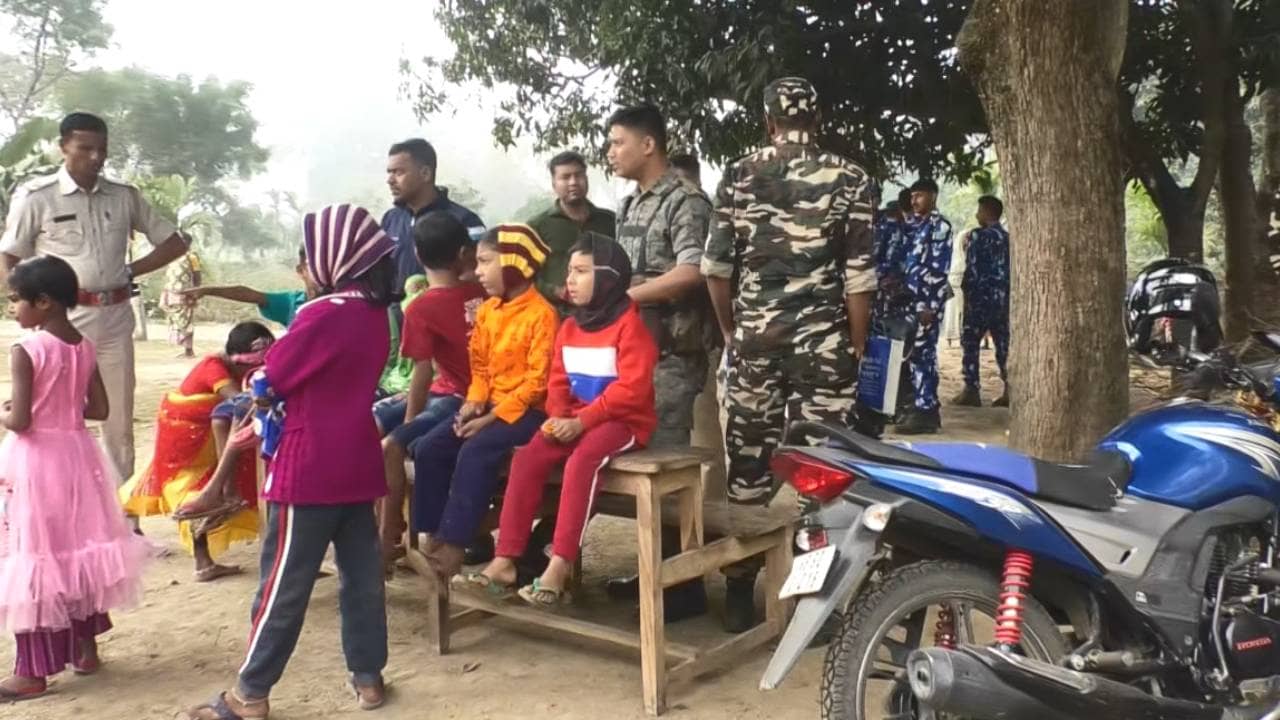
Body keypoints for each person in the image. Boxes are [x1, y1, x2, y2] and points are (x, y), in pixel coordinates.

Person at [179, 204, 396, 719]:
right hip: (358, 458)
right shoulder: (375, 312)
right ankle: (368, 678)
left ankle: (250, 694)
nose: (306, 266)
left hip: (308, 463)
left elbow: (271, 376)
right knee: (362, 577)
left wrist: (260, 383)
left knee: (283, 582)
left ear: (332, 257)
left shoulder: (321, 313)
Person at [703, 76, 877, 631]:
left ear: (768, 121)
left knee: (748, 467)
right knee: (821, 474)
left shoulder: (738, 174)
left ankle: (738, 594)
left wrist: (732, 331)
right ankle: (813, 604)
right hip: (824, 346)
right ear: (817, 118)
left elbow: (716, 269)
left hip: (756, 341)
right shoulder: (850, 177)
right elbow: (860, 277)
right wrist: (855, 341)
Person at [0, 113, 189, 518]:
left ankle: (119, 514)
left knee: (116, 417)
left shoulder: (123, 196)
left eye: (102, 148)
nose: (96, 157)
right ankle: (44, 510)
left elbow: (174, 242)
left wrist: (131, 271)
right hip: (64, 318)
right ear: (63, 146)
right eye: (85, 147)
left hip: (115, 317)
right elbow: (11, 254)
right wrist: (25, 304)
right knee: (49, 415)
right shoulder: (37, 196)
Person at [460, 233, 656, 606]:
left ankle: (558, 566)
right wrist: (559, 417)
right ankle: (505, 560)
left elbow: (631, 390)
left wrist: (583, 422)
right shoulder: (570, 327)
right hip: (577, 418)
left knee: (582, 461)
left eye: (581, 271)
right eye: (569, 271)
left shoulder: (632, 327)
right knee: (530, 455)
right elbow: (558, 382)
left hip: (622, 422)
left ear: (609, 276)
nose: (570, 280)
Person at [0, 256, 148, 700]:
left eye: (16, 301)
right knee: (76, 550)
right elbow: (99, 410)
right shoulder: (82, 345)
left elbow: (22, 420)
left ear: (42, 302)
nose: (13, 310)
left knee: (37, 553)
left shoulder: (26, 350)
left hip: (37, 460)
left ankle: (33, 669)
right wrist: (61, 409)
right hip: (79, 456)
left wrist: (4, 411)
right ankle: (86, 648)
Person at [605, 104, 714, 620]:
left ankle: (684, 584)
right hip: (635, 352)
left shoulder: (686, 201)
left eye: (618, 142)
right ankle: (654, 573)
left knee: (667, 466)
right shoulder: (629, 206)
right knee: (636, 463)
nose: (611, 152)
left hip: (673, 352)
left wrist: (628, 297)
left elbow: (693, 270)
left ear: (649, 145)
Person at [411, 224, 557, 584]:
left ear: (513, 264)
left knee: (475, 450)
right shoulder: (489, 310)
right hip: (489, 405)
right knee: (428, 447)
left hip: (527, 411)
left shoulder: (542, 315)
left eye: (485, 262)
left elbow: (537, 383)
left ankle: (456, 546)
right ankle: (432, 537)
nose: (477, 272)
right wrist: (473, 404)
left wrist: (491, 416)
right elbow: (480, 368)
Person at [120, 321, 276, 582]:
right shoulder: (213, 368)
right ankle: (204, 557)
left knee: (204, 487)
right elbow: (240, 400)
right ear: (239, 360)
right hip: (188, 443)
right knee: (195, 492)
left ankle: (222, 505)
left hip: (209, 439)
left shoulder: (234, 367)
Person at [377, 212, 486, 565]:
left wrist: (410, 421)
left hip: (458, 398)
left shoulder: (421, 308)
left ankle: (387, 538)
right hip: (474, 393)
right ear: (463, 253)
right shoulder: (482, 289)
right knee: (384, 429)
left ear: (418, 257)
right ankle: (392, 533)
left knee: (391, 444)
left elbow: (421, 374)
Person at [381, 138, 485, 302]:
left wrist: (429, 296)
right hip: (396, 321)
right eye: (389, 172)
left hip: (448, 317)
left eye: (398, 172)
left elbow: (480, 273)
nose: (390, 180)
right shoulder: (390, 220)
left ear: (425, 174)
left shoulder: (464, 220)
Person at [896, 178, 954, 435]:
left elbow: (938, 269)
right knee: (914, 356)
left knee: (924, 356)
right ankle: (922, 405)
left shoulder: (939, 226)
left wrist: (928, 305)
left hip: (926, 303)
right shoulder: (914, 226)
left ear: (933, 196)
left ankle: (926, 410)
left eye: (919, 195)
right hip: (912, 301)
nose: (914, 201)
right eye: (912, 196)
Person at [527, 151, 616, 310]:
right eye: (565, 177)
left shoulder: (610, 221)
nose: (573, 182)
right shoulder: (538, 226)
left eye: (579, 175)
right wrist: (555, 291)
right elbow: (526, 274)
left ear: (587, 179)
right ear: (554, 184)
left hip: (606, 311)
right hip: (557, 316)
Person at [952, 195, 1011, 408]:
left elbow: (972, 269)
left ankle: (971, 389)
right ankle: (1010, 388)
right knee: (1003, 344)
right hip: (1003, 299)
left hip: (980, 298)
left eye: (979, 210)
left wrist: (967, 297)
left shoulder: (977, 236)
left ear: (986, 212)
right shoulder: (1008, 239)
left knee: (970, 342)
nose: (977, 215)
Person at [162, 244, 202, 357]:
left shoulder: (192, 257)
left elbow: (197, 275)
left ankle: (189, 350)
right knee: (175, 321)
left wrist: (195, 291)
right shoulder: (172, 257)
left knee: (187, 321)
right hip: (171, 294)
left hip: (186, 293)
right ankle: (184, 349)